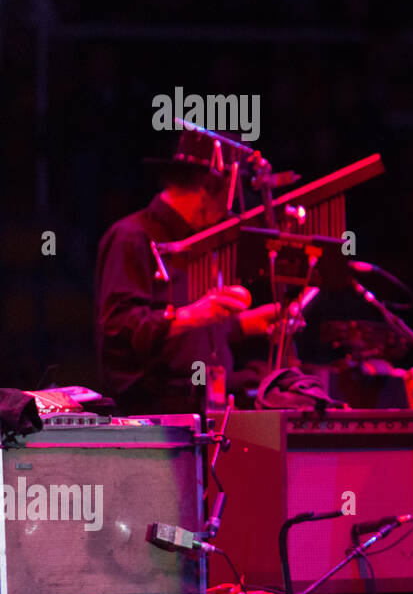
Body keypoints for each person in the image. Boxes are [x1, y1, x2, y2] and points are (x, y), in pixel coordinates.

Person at [95, 128, 278, 414]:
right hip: (154, 416)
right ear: (209, 185)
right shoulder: (132, 237)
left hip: (208, 406)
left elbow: (185, 339)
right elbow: (118, 327)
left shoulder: (199, 240)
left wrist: (245, 324)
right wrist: (193, 315)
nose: (231, 211)